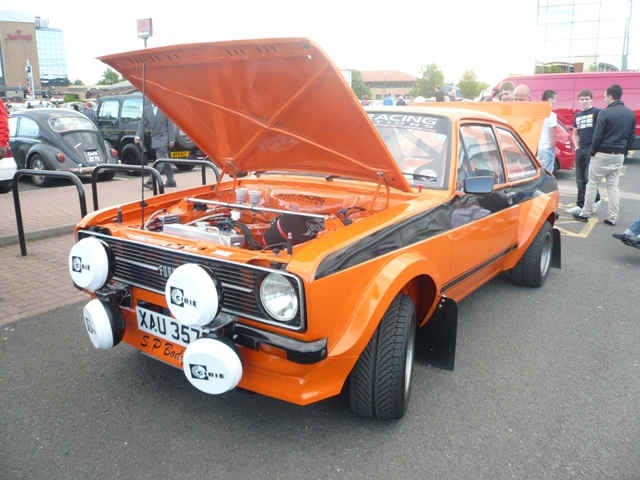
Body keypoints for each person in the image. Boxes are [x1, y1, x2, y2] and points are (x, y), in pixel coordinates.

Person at [573, 84, 636, 226]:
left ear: (611, 96)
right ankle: (612, 218)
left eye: (605, 96)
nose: (604, 99)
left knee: (592, 184)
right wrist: (624, 152)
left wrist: (593, 152)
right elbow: (631, 137)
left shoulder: (605, 112)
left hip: (602, 153)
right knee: (613, 186)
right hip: (618, 154)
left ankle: (585, 213)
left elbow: (597, 135)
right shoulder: (630, 113)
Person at [565, 90, 601, 215]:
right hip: (581, 150)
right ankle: (580, 205)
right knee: (580, 179)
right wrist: (576, 147)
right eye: (582, 99)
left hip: (592, 149)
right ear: (579, 100)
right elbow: (575, 134)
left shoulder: (597, 112)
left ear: (591, 99)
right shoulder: (578, 116)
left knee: (588, 178)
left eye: (586, 99)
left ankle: (595, 200)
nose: (584, 101)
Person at [135, 102, 177, 189]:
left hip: (163, 137)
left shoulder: (165, 107)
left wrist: (171, 140)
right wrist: (138, 136)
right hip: (155, 138)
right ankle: (171, 181)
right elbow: (143, 124)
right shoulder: (147, 109)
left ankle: (151, 181)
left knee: (160, 161)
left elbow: (170, 125)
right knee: (164, 160)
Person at [536, 90, 557, 172]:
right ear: (549, 100)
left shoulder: (537, 114)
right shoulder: (552, 115)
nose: (555, 101)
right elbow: (552, 135)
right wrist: (553, 151)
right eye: (555, 99)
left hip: (537, 148)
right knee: (547, 173)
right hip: (546, 148)